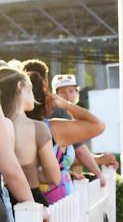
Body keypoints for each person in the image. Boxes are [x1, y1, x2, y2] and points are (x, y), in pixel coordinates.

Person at [26, 71, 104, 203]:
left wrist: (66, 173)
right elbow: (98, 125)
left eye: (72, 91)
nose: (68, 95)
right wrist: (66, 105)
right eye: (47, 92)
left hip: (45, 197)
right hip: (53, 198)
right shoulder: (54, 122)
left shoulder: (23, 125)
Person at [0, 65, 60, 207]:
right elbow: (54, 177)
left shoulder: (5, 124)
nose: (34, 96)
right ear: (19, 86)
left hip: (5, 200)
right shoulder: (38, 128)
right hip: (31, 198)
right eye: (31, 89)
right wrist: (30, 172)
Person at [50, 73, 108, 186]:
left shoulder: (70, 114)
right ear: (55, 95)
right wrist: (99, 174)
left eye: (71, 91)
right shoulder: (59, 113)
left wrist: (99, 158)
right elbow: (79, 150)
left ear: (77, 92)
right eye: (63, 92)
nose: (68, 96)